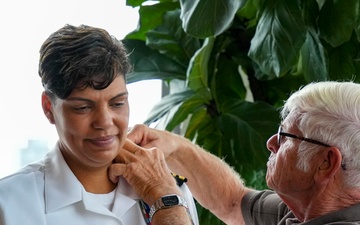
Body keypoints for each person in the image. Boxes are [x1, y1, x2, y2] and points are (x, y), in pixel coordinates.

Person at [0, 24, 198, 225]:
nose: (104, 122)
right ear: (49, 108)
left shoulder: (171, 189)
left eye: (117, 103)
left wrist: (166, 198)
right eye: (83, 108)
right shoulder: (9, 203)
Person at [111, 81, 360, 225]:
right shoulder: (312, 209)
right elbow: (232, 201)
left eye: (286, 136)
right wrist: (175, 147)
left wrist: (163, 195)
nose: (271, 142)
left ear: (326, 164)